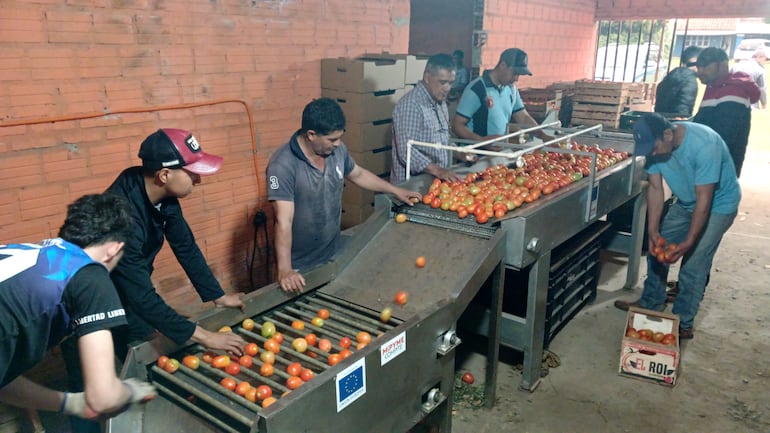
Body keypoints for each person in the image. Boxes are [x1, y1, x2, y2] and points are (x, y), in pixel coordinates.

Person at [64, 129, 248, 432]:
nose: (198, 180)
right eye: (192, 173)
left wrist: (216, 295)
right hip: (86, 301)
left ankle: (135, 420)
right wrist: (204, 336)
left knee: (135, 359)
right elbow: (142, 297)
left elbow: (185, 245)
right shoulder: (121, 220)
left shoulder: (159, 194)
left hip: (124, 291)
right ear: (164, 174)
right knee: (87, 385)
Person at [0, 194, 155, 422]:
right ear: (114, 249)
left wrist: (72, 404)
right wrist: (131, 390)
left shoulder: (30, 252)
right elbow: (103, 398)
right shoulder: (89, 276)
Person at [268, 97, 422, 293]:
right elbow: (284, 220)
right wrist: (285, 269)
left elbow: (357, 174)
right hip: (301, 266)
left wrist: (395, 190)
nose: (338, 144)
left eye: (340, 137)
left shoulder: (337, 151)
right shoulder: (282, 166)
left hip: (333, 251)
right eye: (332, 139)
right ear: (312, 135)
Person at [614, 113, 741, 340]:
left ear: (668, 134)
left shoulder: (704, 144)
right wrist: (652, 231)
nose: (651, 153)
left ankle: (683, 321)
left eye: (654, 147)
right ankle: (651, 301)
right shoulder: (656, 146)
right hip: (686, 202)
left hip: (717, 206)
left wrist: (690, 241)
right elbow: (654, 188)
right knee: (657, 249)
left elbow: (704, 198)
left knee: (693, 265)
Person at [391, 53, 467, 183]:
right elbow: (406, 152)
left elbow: (442, 140)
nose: (448, 88)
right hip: (412, 186)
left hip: (434, 182)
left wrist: (460, 153)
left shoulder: (440, 103)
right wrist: (438, 170)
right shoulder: (411, 105)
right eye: (442, 82)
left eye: (451, 83)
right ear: (427, 77)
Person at [452, 48, 551, 142]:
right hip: (477, 154)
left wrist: (543, 136)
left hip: (499, 151)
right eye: (514, 73)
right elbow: (457, 125)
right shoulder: (477, 89)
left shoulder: (511, 88)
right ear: (503, 65)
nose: (516, 79)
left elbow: (523, 116)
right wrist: (481, 141)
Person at [693, 47, 760, 177]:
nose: (700, 71)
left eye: (705, 66)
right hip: (710, 163)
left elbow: (725, 136)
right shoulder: (714, 87)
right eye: (699, 67)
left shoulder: (734, 92)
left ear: (723, 64)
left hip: (720, 167)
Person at [654, 46, 703, 117]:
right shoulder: (690, 80)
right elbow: (683, 110)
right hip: (675, 124)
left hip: (660, 120)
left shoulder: (670, 76)